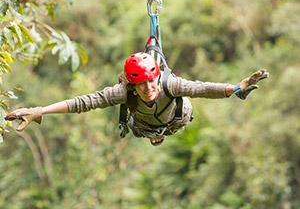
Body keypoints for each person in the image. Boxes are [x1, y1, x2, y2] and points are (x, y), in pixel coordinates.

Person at [5, 52, 269, 146]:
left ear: (156, 78)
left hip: (177, 119)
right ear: (133, 84)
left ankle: (160, 132)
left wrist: (235, 88)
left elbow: (201, 88)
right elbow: (82, 103)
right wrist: (39, 111)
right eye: (140, 86)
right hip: (144, 125)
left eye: (150, 83)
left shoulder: (169, 85)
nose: (147, 89)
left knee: (186, 104)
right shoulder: (124, 92)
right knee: (135, 125)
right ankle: (152, 133)